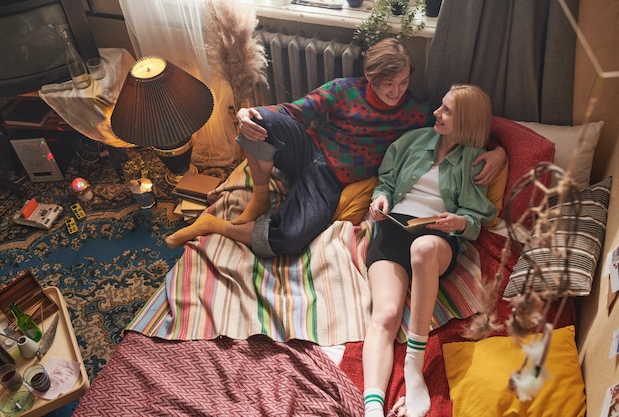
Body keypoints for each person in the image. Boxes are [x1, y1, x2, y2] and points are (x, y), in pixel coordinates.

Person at [165, 39, 505, 255]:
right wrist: (244, 113)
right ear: (371, 77)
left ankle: (214, 226)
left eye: (403, 83)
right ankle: (260, 196)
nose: (396, 91)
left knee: (287, 241)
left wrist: (498, 151)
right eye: (389, 84)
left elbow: (463, 124)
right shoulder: (342, 90)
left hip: (330, 180)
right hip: (307, 151)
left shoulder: (416, 111)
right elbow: (292, 111)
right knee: (262, 118)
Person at [361, 84, 497, 417]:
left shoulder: (474, 161)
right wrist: (381, 200)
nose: (436, 112)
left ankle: (414, 363)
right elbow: (386, 183)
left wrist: (458, 223)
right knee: (386, 315)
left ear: (465, 121)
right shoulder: (413, 141)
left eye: (447, 110)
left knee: (422, 249)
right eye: (440, 106)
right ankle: (372, 408)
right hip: (393, 227)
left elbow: (476, 219)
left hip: (436, 236)